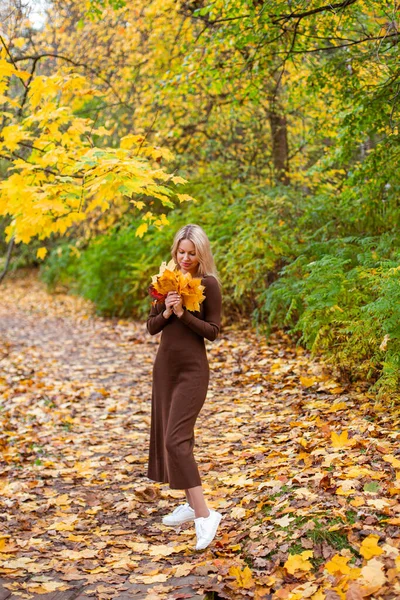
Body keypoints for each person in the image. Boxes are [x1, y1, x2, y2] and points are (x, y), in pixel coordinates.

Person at [146, 224, 223, 550]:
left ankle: (206, 514)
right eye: (181, 252)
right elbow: (151, 327)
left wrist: (183, 313)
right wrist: (166, 310)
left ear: (201, 253)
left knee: (176, 440)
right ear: (175, 251)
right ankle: (192, 506)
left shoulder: (209, 285)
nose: (186, 258)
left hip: (192, 371)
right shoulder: (165, 281)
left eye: (192, 253)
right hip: (165, 370)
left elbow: (213, 331)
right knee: (173, 439)